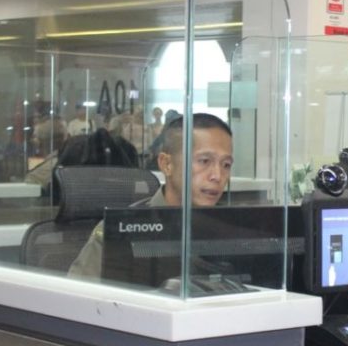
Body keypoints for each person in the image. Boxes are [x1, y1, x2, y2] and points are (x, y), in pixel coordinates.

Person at [68, 113, 234, 279]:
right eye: (204, 161)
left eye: (226, 165)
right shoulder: (123, 231)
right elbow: (77, 301)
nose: (218, 176)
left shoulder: (230, 230)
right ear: (166, 164)